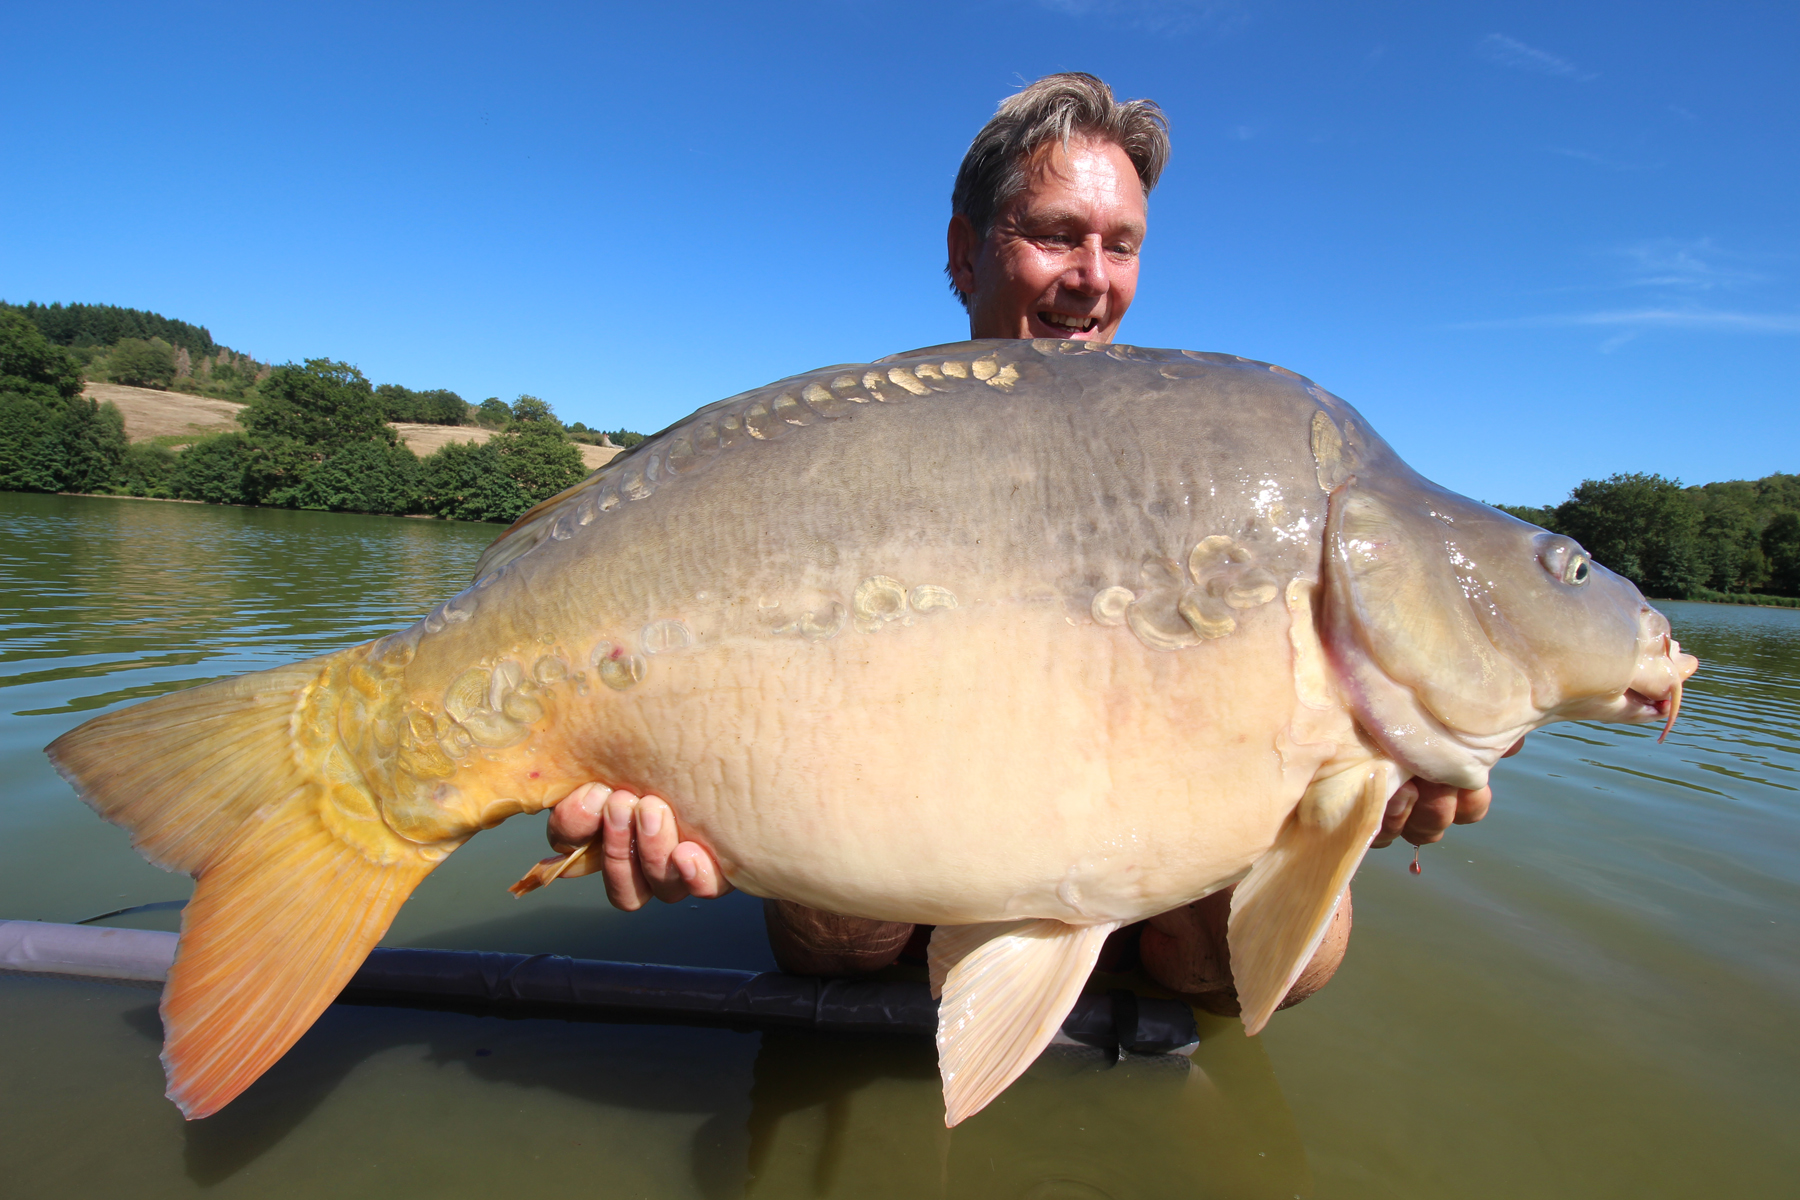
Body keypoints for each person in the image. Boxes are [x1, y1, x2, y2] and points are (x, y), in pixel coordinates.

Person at [539, 73, 1504, 1009]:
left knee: (1303, 958)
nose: (1091, 277)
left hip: (1137, 882)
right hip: (883, 889)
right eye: (1053, 235)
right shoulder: (844, 455)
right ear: (964, 254)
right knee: (838, 940)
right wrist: (664, 792)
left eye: (1120, 246)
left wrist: (1357, 784)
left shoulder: (1207, 461)